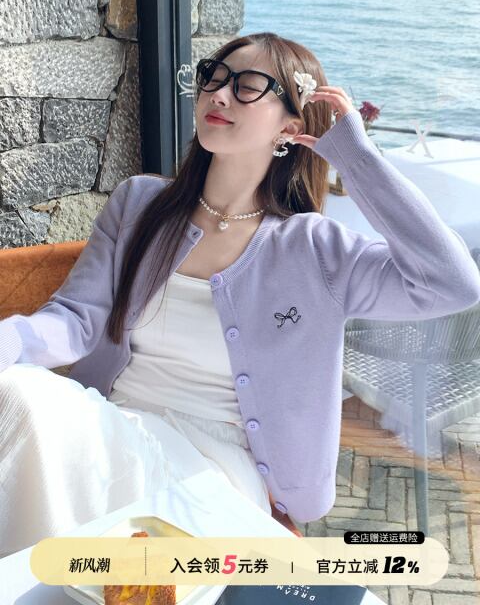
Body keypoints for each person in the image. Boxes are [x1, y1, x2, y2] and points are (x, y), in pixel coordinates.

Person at [1, 32, 479, 557]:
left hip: (211, 469)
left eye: (249, 85)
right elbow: (76, 319)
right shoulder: (138, 203)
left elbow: (450, 282)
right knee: (17, 392)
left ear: (290, 128)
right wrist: (11, 342)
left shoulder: (315, 249)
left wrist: (357, 158)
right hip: (108, 427)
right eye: (215, 76)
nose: (220, 94)